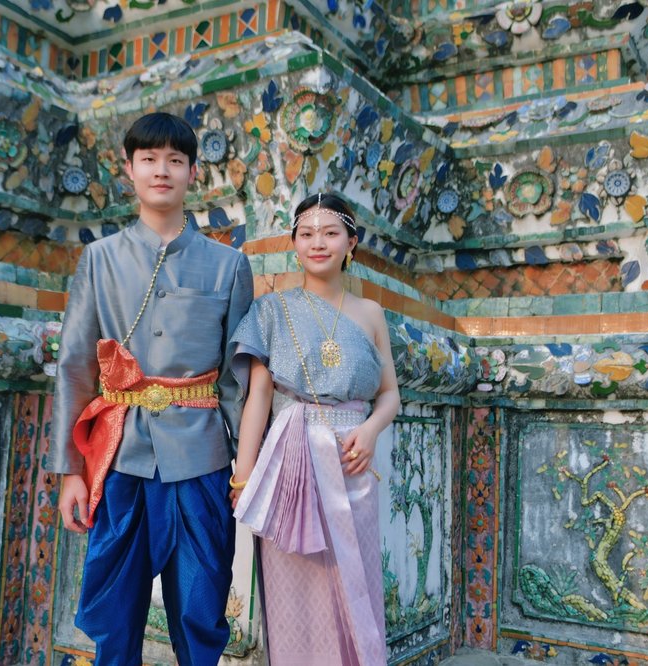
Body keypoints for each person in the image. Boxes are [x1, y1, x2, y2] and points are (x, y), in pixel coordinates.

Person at [49, 111, 254, 665]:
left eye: (175, 160)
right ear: (129, 170)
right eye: (148, 159)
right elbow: (73, 366)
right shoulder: (98, 260)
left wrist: (244, 469)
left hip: (203, 462)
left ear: (193, 173)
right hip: (120, 462)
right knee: (114, 620)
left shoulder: (229, 266)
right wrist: (71, 471)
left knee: (200, 612)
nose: (161, 170)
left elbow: (237, 379)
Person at [228, 192, 400, 665]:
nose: (317, 243)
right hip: (290, 460)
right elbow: (258, 398)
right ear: (295, 243)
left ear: (351, 243)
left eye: (329, 233)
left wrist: (370, 431)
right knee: (293, 590)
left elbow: (390, 395)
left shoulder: (370, 314)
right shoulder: (272, 310)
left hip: (351, 461)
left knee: (353, 583)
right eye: (306, 234)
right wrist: (243, 478)